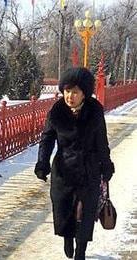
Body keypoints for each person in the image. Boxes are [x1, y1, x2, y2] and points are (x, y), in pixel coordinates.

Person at [35, 67, 114, 260]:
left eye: (75, 92)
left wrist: (106, 164)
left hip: (89, 169)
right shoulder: (57, 111)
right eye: (67, 91)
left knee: (86, 213)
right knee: (63, 208)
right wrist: (42, 163)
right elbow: (46, 139)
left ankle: (81, 251)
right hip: (63, 169)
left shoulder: (94, 111)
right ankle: (67, 237)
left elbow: (101, 140)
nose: (70, 96)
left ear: (84, 93)